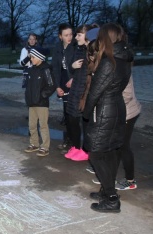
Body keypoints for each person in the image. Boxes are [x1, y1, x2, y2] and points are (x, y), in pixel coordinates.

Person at [83, 23, 133, 213]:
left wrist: (86, 114)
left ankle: (111, 197)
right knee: (110, 151)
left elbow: (95, 92)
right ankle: (106, 190)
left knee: (96, 152)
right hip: (117, 107)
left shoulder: (108, 61)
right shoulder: (124, 58)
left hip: (106, 110)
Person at [64, 25, 98, 162]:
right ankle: (76, 146)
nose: (75, 37)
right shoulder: (78, 50)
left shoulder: (92, 52)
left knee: (85, 122)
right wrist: (72, 68)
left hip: (85, 91)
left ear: (87, 36)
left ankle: (85, 150)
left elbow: (90, 74)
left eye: (79, 35)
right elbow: (73, 70)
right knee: (71, 118)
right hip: (76, 89)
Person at [23, 47, 56, 157]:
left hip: (41, 104)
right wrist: (28, 96)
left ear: (39, 58)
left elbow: (51, 86)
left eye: (33, 57)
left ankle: (45, 146)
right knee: (31, 125)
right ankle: (34, 143)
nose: (31, 59)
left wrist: (42, 96)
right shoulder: (31, 69)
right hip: (32, 103)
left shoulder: (46, 69)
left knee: (43, 125)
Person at [115, 75, 141, 190]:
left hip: (127, 113)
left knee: (123, 146)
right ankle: (109, 175)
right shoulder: (114, 64)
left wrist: (110, 106)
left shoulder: (121, 66)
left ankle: (130, 181)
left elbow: (127, 94)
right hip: (120, 112)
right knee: (116, 145)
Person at [52, 24, 75, 152]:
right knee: (66, 113)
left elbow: (82, 68)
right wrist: (57, 86)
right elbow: (55, 68)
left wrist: (74, 78)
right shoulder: (57, 48)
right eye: (66, 35)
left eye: (71, 34)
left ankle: (76, 143)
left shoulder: (76, 47)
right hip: (63, 81)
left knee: (74, 115)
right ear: (60, 36)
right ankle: (68, 141)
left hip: (75, 82)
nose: (69, 37)